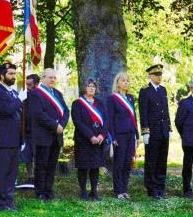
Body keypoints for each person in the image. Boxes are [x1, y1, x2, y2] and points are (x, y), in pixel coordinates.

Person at [0, 62, 27, 211]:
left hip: (15, 139)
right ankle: (1, 202)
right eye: (10, 74)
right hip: (3, 140)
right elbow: (7, 110)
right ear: (1, 76)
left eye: (14, 73)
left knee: (12, 173)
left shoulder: (13, 93)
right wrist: (20, 100)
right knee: (2, 172)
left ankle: (9, 200)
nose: (13, 76)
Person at [31, 68, 69, 202]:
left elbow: (66, 111)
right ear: (43, 78)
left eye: (54, 77)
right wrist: (55, 125)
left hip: (56, 135)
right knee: (42, 165)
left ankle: (49, 190)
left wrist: (62, 126)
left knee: (52, 165)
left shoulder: (57, 93)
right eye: (50, 77)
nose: (52, 80)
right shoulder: (36, 93)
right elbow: (39, 114)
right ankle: (40, 192)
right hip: (43, 135)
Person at [72, 78, 109, 201]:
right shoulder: (77, 103)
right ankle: (83, 191)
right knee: (83, 166)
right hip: (84, 140)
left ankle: (94, 191)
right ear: (84, 88)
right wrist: (90, 136)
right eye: (89, 86)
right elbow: (78, 122)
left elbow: (106, 121)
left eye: (93, 86)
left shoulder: (100, 103)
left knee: (95, 166)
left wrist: (101, 136)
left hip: (98, 140)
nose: (92, 88)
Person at [138, 64, 171, 199]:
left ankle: (160, 187)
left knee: (162, 160)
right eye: (157, 75)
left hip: (163, 130)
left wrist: (169, 127)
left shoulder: (163, 90)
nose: (159, 77)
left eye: (160, 74)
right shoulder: (145, 91)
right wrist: (145, 131)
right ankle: (151, 188)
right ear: (150, 76)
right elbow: (143, 112)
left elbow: (166, 110)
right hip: (152, 131)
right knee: (152, 160)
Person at [107, 72, 139, 200]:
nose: (126, 82)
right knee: (119, 163)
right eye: (123, 80)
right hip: (119, 135)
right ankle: (118, 190)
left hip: (131, 134)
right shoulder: (112, 99)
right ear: (118, 83)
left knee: (127, 162)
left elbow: (134, 118)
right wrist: (113, 137)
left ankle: (125, 189)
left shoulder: (130, 98)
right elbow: (110, 119)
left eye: (127, 80)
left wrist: (137, 135)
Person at [20, 73, 40, 185]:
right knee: (27, 154)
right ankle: (30, 176)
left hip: (37, 131)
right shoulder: (24, 95)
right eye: (26, 84)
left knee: (37, 154)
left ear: (36, 85)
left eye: (30, 85)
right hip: (25, 129)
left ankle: (38, 176)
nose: (27, 87)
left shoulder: (40, 96)